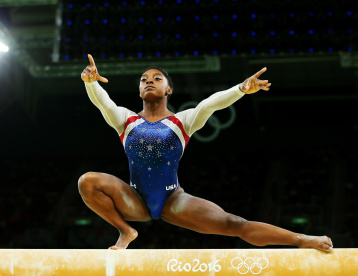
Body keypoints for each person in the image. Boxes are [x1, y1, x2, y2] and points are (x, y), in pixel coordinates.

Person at [78, 54, 333, 251]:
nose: (149, 81)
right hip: (133, 199)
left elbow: (210, 104)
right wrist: (91, 84)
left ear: (169, 90)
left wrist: (241, 89)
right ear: (139, 90)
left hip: (173, 200)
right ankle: (126, 231)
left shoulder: (182, 122)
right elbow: (104, 102)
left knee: (234, 223)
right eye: (144, 79)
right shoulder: (126, 120)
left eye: (156, 78)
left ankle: (301, 239)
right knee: (88, 181)